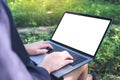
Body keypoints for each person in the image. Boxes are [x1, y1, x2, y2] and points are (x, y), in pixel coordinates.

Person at [0, 0, 92, 80]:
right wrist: (47, 66)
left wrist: (23, 49)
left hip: (26, 67)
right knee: (82, 65)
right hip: (34, 74)